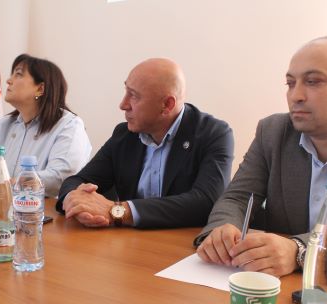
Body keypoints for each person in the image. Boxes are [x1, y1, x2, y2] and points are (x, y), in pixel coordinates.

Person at [195, 36, 327, 277]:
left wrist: (300, 250)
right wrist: (222, 230)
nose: (296, 95)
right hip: (274, 284)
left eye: (313, 82)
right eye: (290, 83)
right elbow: (237, 198)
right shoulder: (272, 131)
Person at [56, 58, 234, 229]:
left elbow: (206, 201)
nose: (123, 104)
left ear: (167, 105)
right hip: (132, 242)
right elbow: (78, 180)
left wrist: (119, 211)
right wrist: (75, 199)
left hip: (183, 244)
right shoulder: (125, 135)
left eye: (133, 96)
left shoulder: (214, 134)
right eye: (126, 91)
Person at [0, 54, 91, 199]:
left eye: (18, 74)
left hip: (44, 211)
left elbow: (58, 179)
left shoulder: (69, 125)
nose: (8, 80)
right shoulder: (5, 124)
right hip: (2, 209)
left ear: (40, 89)